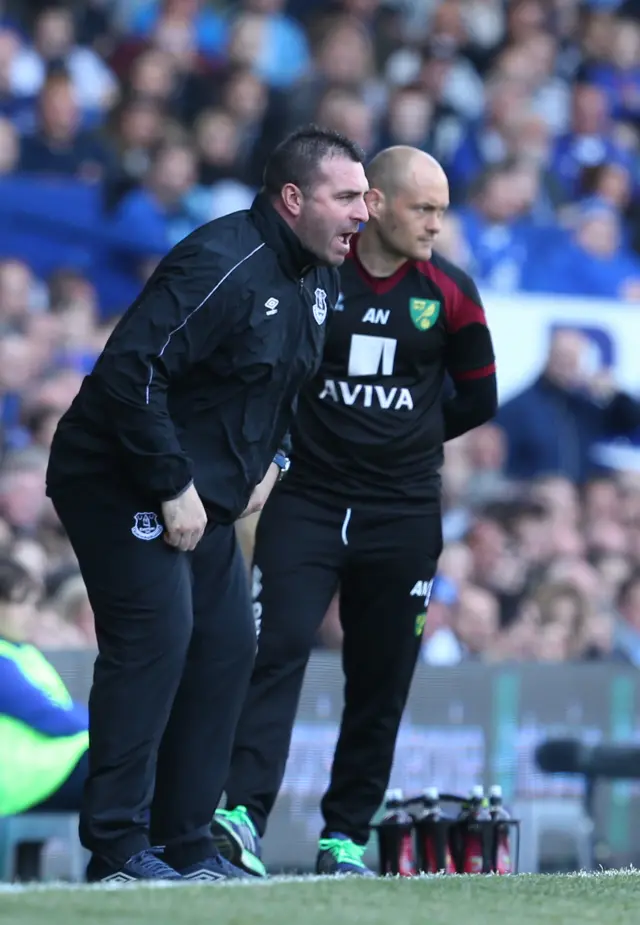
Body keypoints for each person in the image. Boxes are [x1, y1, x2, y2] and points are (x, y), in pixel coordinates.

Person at [45, 125, 369, 884]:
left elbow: (295, 383)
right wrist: (169, 483)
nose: (364, 212)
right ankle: (118, 850)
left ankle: (187, 843)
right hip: (118, 477)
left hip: (202, 497)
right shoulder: (222, 261)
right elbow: (132, 373)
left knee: (226, 647)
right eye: (347, 196)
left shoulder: (321, 274)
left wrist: (279, 458)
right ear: (294, 198)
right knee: (158, 638)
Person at [213, 146, 497, 877]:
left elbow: (480, 396)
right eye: (423, 208)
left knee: (381, 677)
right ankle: (240, 814)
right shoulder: (315, 278)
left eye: (441, 208)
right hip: (306, 500)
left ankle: (343, 836)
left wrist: (407, 437)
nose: (436, 223)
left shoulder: (452, 293)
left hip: (401, 512)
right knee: (271, 651)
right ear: (375, 204)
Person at [0, 558, 88, 820]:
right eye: (19, 603)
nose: (30, 613)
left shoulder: (21, 651)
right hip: (19, 780)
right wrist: (116, 733)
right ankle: (154, 853)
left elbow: (63, 708)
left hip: (43, 773)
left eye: (33, 604)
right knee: (129, 768)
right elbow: (49, 716)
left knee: (135, 765)